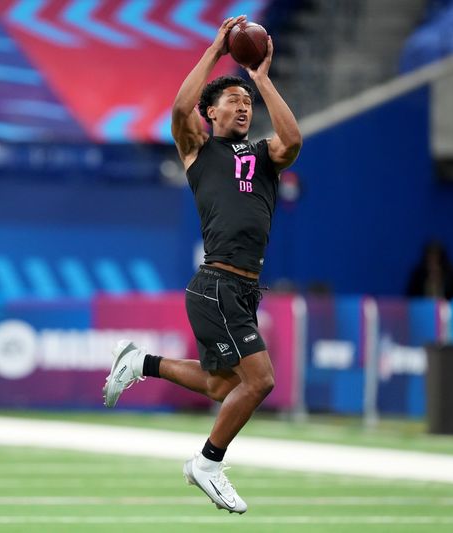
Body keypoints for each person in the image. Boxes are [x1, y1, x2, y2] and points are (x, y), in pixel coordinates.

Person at [102, 15, 302, 515]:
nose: (242, 105)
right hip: (218, 282)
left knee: (221, 386)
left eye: (246, 102)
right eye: (232, 99)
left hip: (242, 289)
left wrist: (261, 80)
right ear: (209, 113)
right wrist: (216, 49)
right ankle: (208, 462)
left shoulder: (261, 154)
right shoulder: (198, 150)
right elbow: (177, 107)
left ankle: (141, 363)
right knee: (260, 382)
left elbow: (293, 140)